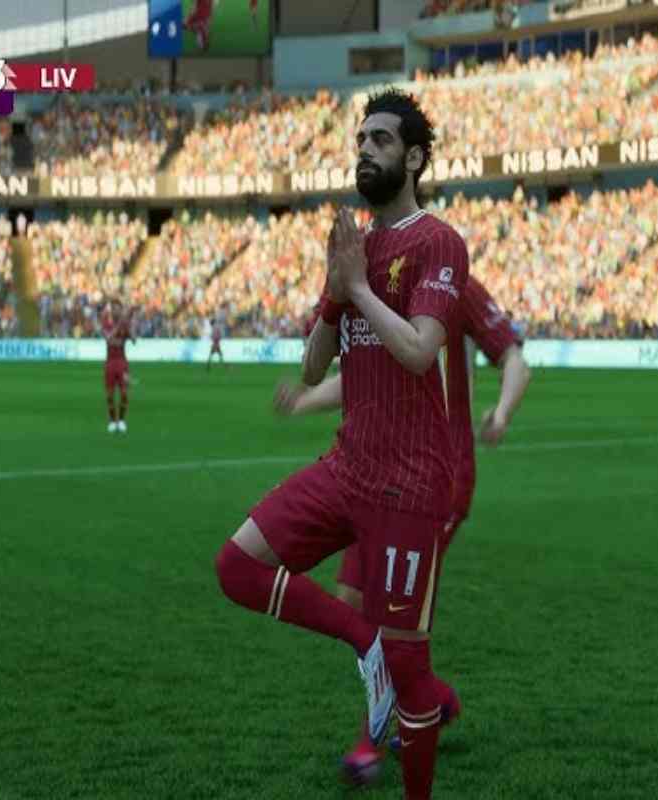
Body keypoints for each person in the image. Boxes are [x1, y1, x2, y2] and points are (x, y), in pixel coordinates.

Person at [215, 88, 465, 799]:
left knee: (413, 675)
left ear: (414, 158)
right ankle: (364, 641)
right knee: (237, 566)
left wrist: (357, 287)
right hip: (347, 467)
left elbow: (419, 351)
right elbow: (312, 367)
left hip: (410, 483)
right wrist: (336, 289)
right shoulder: (357, 247)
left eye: (380, 140)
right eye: (360, 140)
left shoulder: (436, 241)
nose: (364, 151)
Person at [275, 273, 531, 784]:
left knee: (390, 613)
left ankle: (368, 742)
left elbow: (515, 360)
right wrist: (303, 401)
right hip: (379, 475)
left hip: (438, 477)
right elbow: (362, 377)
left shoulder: (452, 281)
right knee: (352, 601)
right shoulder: (376, 284)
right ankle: (434, 699)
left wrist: (501, 413)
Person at [102, 299, 135, 433]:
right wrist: (119, 326)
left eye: (118, 309)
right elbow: (108, 339)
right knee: (110, 395)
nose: (116, 311)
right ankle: (112, 421)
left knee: (124, 394)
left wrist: (129, 328)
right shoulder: (106, 323)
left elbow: (134, 340)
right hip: (110, 363)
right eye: (114, 308)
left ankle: (121, 420)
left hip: (122, 363)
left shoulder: (124, 325)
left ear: (121, 310)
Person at [207, 304, 228, 371]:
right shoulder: (215, 328)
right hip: (216, 344)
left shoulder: (213, 328)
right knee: (217, 354)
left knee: (214, 354)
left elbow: (213, 336)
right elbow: (216, 336)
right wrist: (218, 338)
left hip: (215, 343)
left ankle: (209, 365)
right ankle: (223, 365)